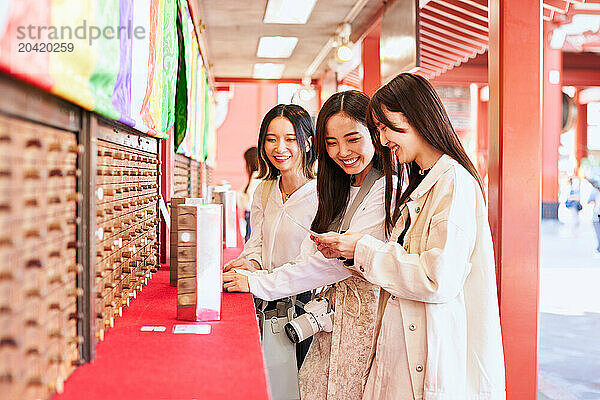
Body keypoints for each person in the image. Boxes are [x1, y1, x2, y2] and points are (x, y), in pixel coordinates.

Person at [313, 73, 506, 399]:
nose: (383, 139)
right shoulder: (423, 181)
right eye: (379, 130)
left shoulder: (454, 183)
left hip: (429, 357)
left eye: (386, 127)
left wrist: (363, 248)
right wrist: (353, 250)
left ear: (416, 118)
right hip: (405, 352)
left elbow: (436, 277)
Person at [223, 90, 390, 400]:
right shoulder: (335, 185)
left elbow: (328, 266)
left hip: (347, 317)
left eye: (353, 139)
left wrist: (257, 282)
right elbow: (303, 255)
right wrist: (253, 270)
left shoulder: (378, 188)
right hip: (321, 315)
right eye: (332, 142)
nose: (343, 151)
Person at [222, 104, 317, 400]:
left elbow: (309, 264)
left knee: (300, 387)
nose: (280, 148)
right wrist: (249, 263)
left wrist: (255, 279)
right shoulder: (264, 189)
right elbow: (258, 245)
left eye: (290, 139)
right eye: (271, 138)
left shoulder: (322, 194)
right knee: (274, 385)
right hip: (268, 305)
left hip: (307, 311)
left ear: (307, 143)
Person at [237, 146, 261, 241]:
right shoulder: (257, 176)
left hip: (252, 215)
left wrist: (238, 196)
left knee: (249, 240)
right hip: (252, 216)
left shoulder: (256, 177)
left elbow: (248, 203)